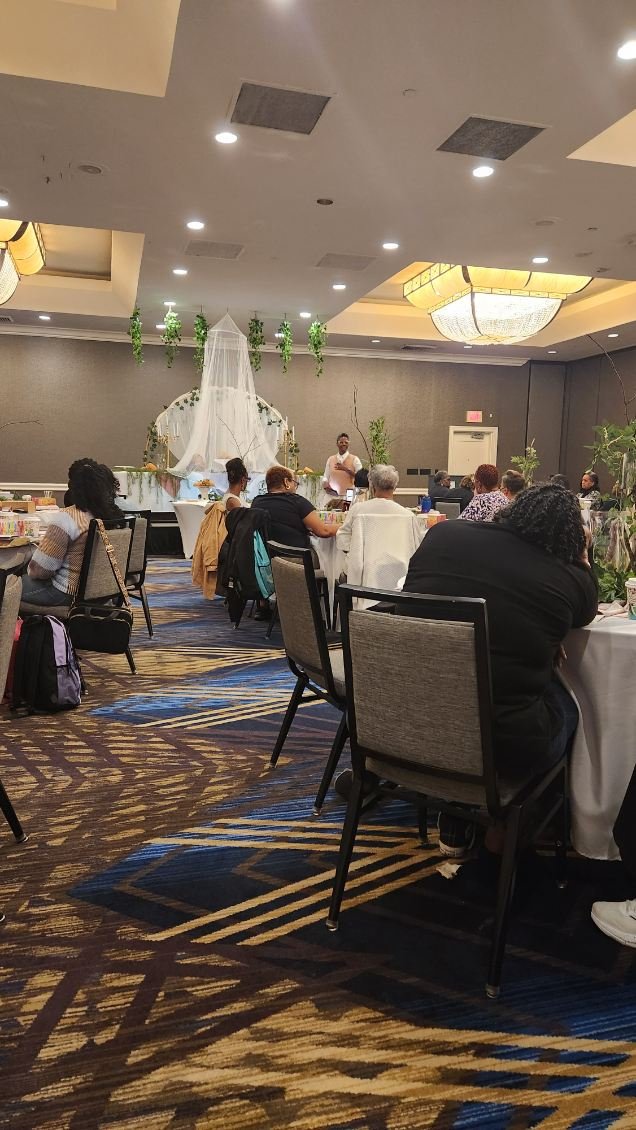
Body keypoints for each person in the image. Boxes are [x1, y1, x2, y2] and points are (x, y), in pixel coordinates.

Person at [403, 483, 598, 855]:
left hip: (411, 720)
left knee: (479, 681)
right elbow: (586, 611)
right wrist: (582, 557)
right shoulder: (566, 577)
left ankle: (456, 815)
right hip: (502, 744)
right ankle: (519, 814)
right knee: (572, 705)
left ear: (511, 510)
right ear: (571, 537)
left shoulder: (443, 534)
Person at [21, 458, 123, 607]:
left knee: (7, 585)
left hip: (66, 592)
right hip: (103, 592)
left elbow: (42, 570)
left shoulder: (67, 518)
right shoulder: (114, 518)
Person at [337, 464, 419, 554]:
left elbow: (343, 540)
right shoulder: (409, 516)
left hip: (364, 566)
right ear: (395, 487)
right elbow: (415, 547)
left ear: (372, 486)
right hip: (400, 567)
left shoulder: (357, 510)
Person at [252, 465, 339, 549]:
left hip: (266, 558)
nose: (295, 488)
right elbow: (324, 531)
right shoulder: (296, 501)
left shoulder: (256, 502)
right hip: (295, 557)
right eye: (295, 483)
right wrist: (345, 527)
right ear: (286, 482)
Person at [323, 433, 362, 497]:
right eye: (341, 442)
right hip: (332, 496)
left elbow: (360, 477)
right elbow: (326, 476)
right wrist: (325, 484)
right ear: (337, 444)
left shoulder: (355, 459)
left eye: (346, 442)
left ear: (348, 444)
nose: (344, 444)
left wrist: (345, 469)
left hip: (349, 496)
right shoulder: (330, 459)